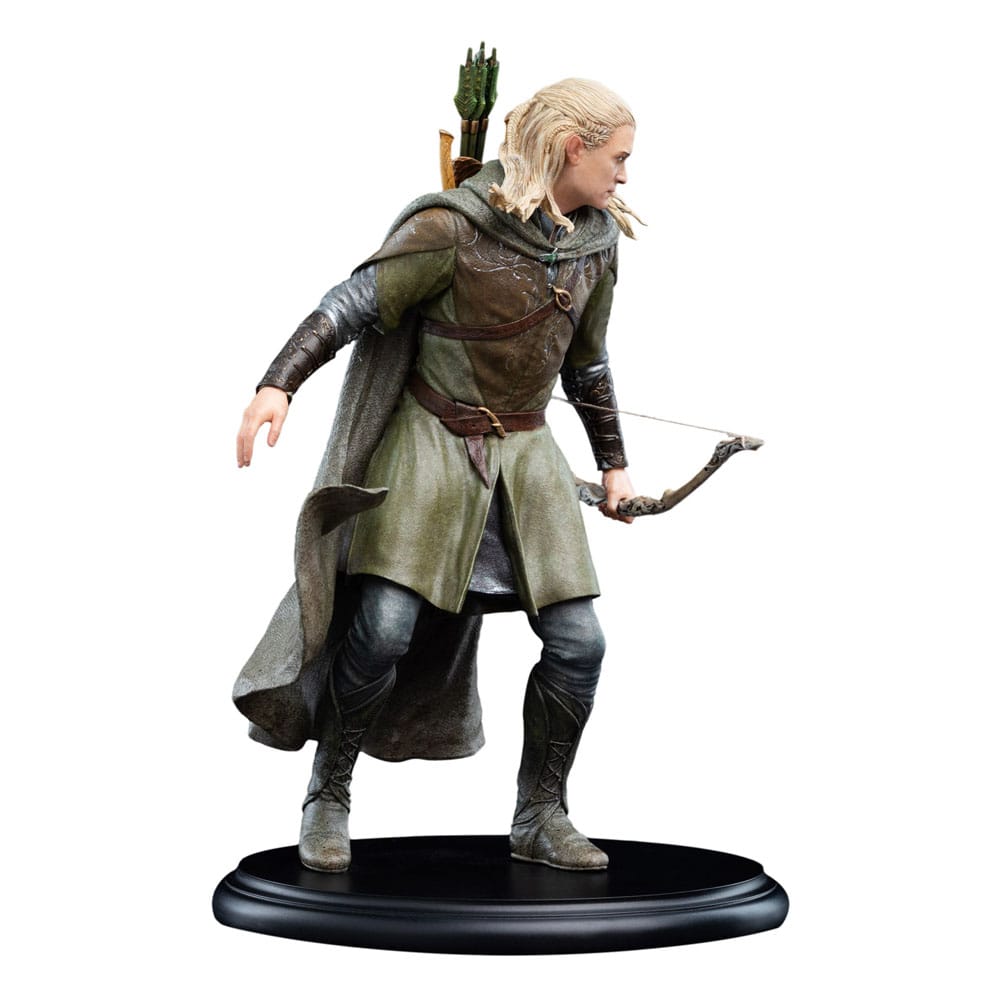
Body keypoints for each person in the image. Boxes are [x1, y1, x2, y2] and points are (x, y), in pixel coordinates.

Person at [234, 78, 641, 873]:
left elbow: (586, 362)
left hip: (528, 457)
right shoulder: (451, 226)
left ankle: (541, 815)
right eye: (618, 158)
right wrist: (278, 382)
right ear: (572, 148)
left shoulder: (594, 243)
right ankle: (328, 793)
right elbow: (352, 303)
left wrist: (614, 466)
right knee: (384, 626)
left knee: (579, 642)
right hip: (429, 447)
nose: (624, 175)